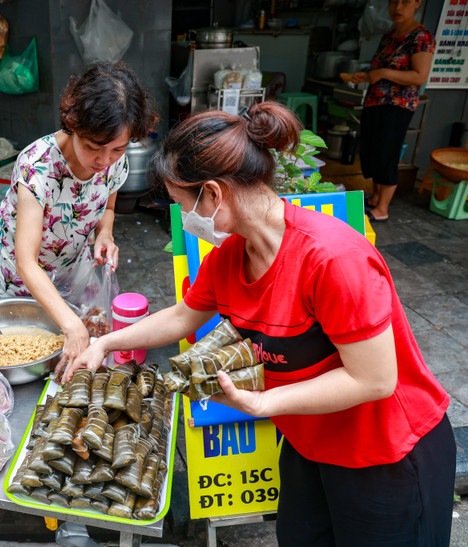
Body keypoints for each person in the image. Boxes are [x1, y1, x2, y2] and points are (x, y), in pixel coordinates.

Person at [64, 102, 455, 546]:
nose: (184, 221)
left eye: (181, 204)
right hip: (310, 443)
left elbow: (376, 379)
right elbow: (181, 316)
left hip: (386, 452)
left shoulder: (332, 259)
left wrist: (265, 403)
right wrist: (104, 342)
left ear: (213, 194)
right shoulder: (231, 255)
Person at [0, 61, 158, 369]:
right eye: (94, 147)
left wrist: (105, 234)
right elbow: (26, 261)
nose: (105, 160)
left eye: (117, 150)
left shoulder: (113, 160)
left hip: (73, 272)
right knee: (29, 361)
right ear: (73, 126)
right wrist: (70, 323)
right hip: (23, 282)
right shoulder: (37, 167)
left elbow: (107, 205)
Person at [352, 0, 433, 222]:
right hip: (375, 101)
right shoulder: (389, 35)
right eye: (394, 2)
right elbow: (379, 70)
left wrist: (384, 73)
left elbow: (419, 76)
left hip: (397, 106)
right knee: (373, 151)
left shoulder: (421, 37)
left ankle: (382, 209)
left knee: (387, 153)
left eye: (405, 1)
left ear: (417, 3)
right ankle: (376, 198)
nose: (398, 7)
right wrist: (368, 76)